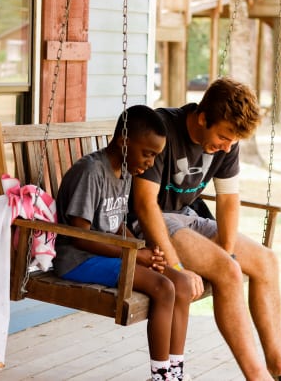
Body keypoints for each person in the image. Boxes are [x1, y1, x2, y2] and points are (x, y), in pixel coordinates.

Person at [129, 77, 281, 381]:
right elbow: (145, 205)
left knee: (266, 261)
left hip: (187, 217)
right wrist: (175, 267)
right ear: (202, 118)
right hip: (148, 223)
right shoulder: (162, 129)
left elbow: (227, 201)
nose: (226, 146)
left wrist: (226, 251)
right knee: (228, 272)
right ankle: (258, 377)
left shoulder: (228, 143)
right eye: (223, 136)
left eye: (233, 141)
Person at [53, 105, 193, 381]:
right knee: (163, 287)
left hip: (111, 254)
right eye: (148, 153)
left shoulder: (127, 172)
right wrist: (134, 256)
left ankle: (176, 371)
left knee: (182, 283)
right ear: (123, 141)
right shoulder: (91, 172)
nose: (151, 163)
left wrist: (143, 250)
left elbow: (115, 224)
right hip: (76, 259)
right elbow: (79, 236)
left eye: (156, 155)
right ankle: (161, 375)